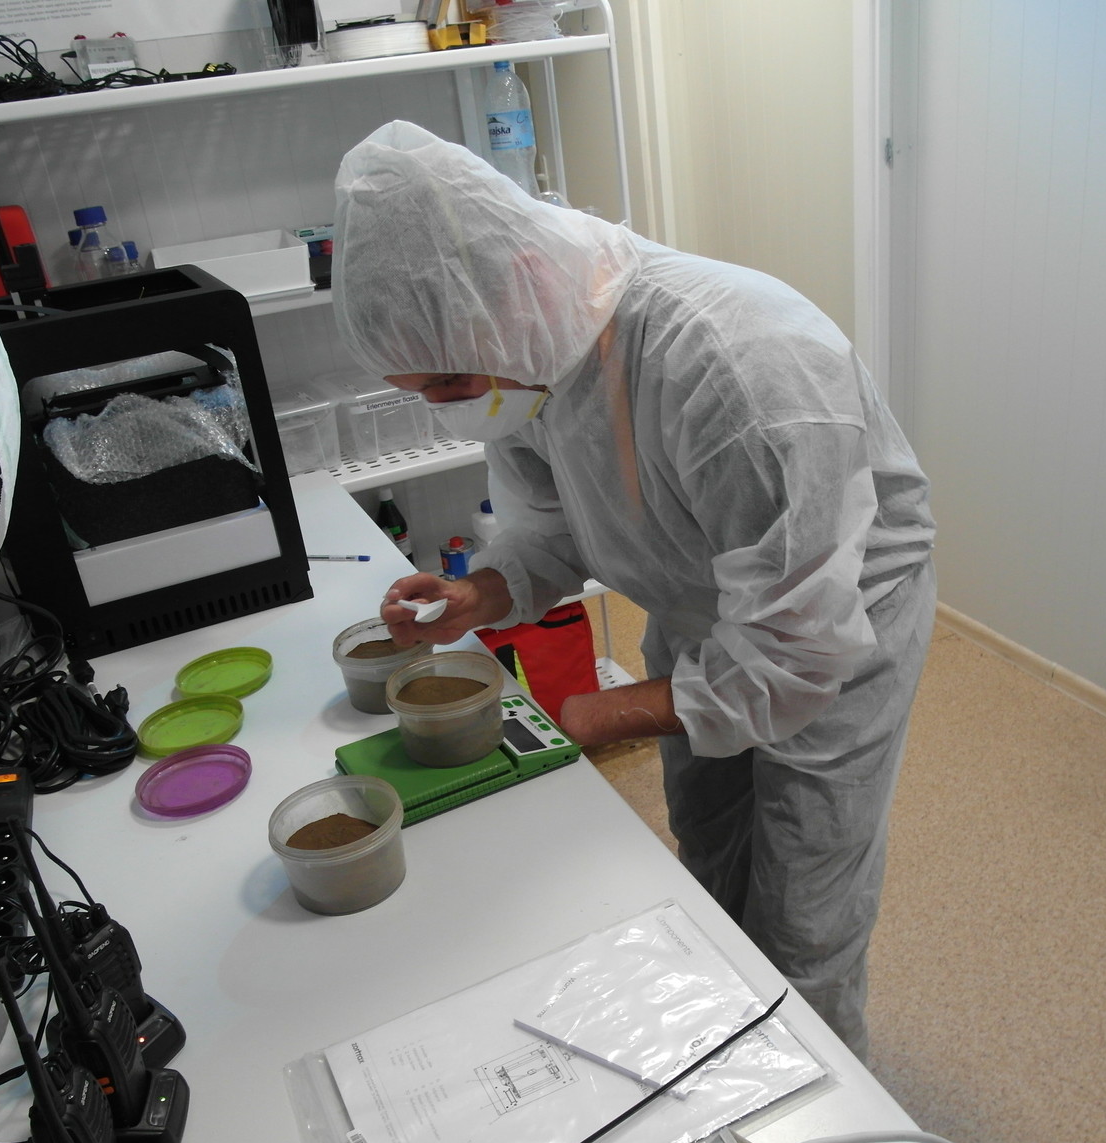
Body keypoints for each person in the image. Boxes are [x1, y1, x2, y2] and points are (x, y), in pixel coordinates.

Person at [330, 121, 935, 1061]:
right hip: (697, 601)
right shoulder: (526, 350)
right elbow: (552, 521)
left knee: (803, 902)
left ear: (521, 279)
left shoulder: (739, 364)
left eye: (447, 380)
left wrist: (594, 715)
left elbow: (795, 651)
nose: (447, 406)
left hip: (835, 622)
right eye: (422, 390)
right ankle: (729, 1046)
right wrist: (480, 593)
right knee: (708, 834)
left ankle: (818, 1110)